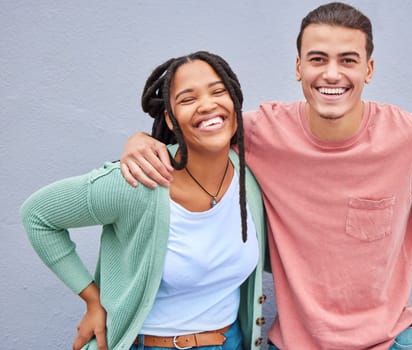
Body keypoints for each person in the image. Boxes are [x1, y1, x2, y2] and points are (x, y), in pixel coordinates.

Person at [119, 3, 412, 350]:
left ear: (368, 69)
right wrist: (142, 140)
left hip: (389, 341)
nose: (332, 74)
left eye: (348, 60)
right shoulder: (259, 133)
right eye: (317, 59)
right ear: (299, 67)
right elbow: (200, 132)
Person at [20, 51, 267, 350]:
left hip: (233, 342)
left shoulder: (248, 174)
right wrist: (92, 299)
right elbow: (38, 215)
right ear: (170, 119)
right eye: (188, 99)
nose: (207, 105)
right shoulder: (140, 181)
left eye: (218, 92)